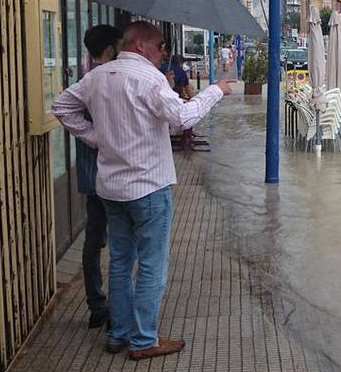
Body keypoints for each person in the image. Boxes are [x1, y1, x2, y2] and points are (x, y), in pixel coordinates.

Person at [52, 22, 233, 360]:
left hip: (112, 188)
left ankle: (119, 333)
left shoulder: (97, 76)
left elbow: (62, 107)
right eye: (160, 45)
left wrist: (96, 138)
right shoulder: (147, 78)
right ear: (140, 45)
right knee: (151, 265)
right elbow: (182, 117)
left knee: (120, 261)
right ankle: (144, 340)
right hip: (148, 187)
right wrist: (216, 90)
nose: (163, 51)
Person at [75, 24, 123, 330]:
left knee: (94, 242)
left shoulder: (84, 80)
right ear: (109, 50)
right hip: (110, 177)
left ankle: (97, 305)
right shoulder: (103, 82)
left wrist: (92, 136)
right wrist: (97, 137)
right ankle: (113, 312)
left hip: (93, 178)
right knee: (121, 246)